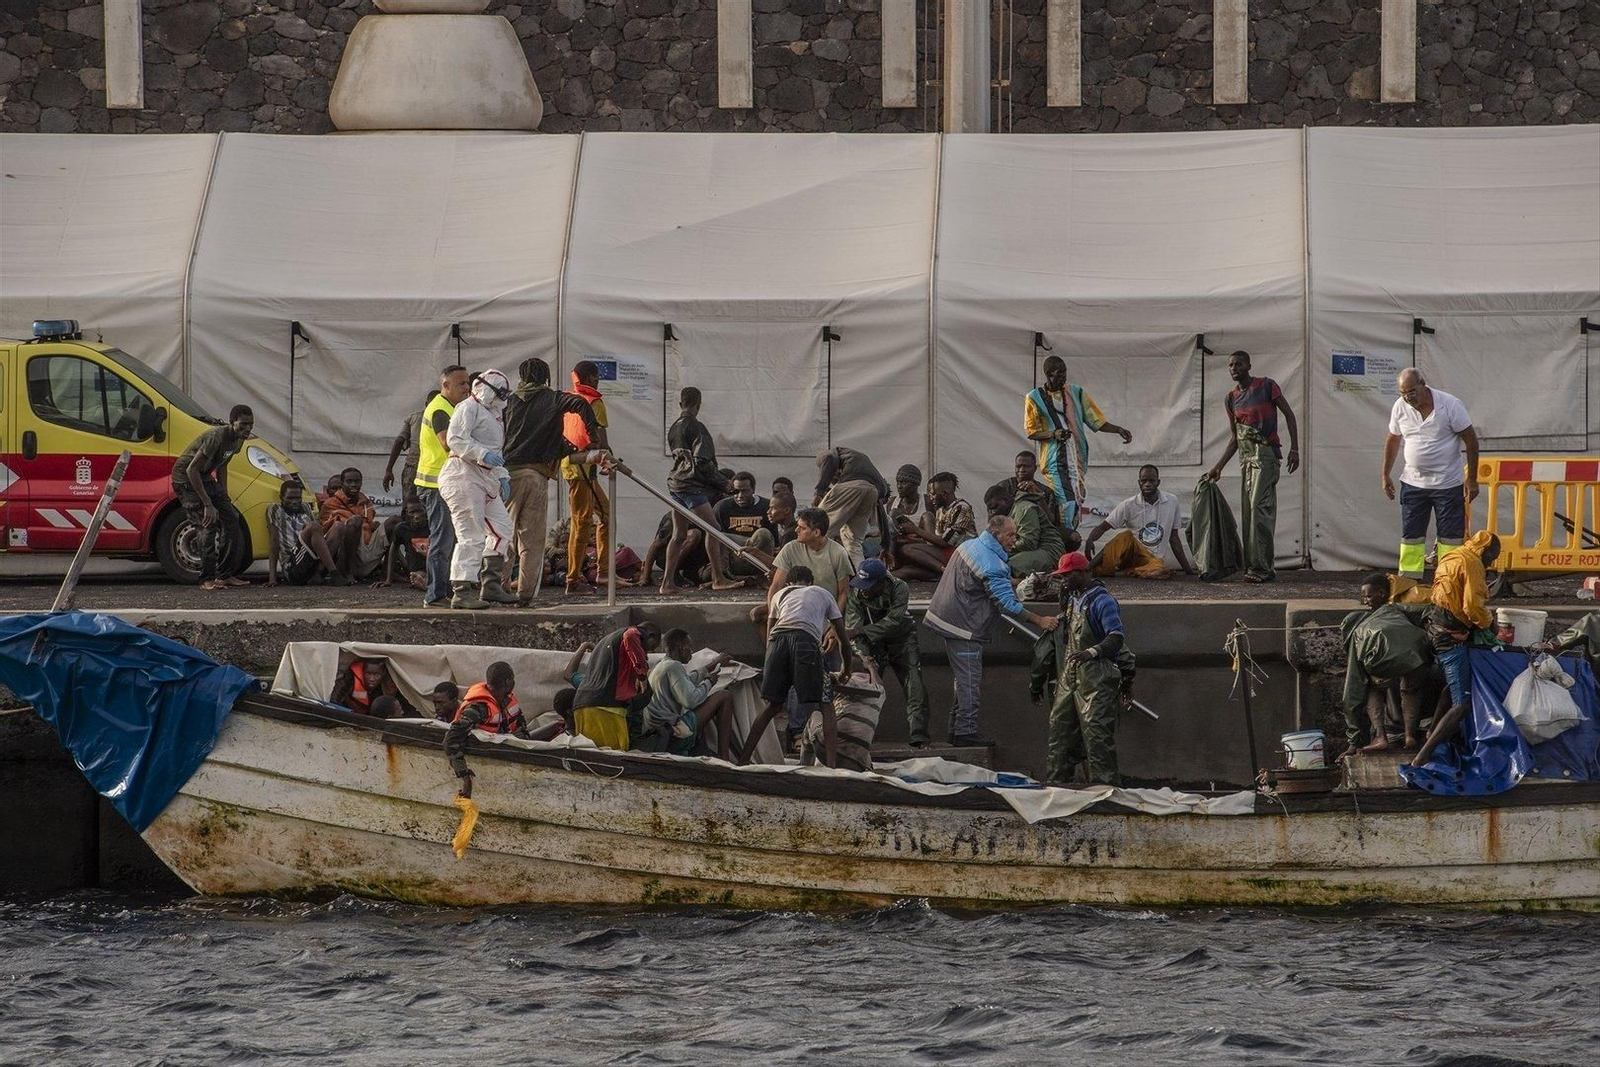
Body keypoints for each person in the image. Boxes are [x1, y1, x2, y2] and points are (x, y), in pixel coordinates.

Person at [924, 514, 1061, 747]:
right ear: (996, 535)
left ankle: (955, 730)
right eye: (1010, 535)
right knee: (969, 682)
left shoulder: (970, 545)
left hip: (947, 619)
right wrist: (1040, 620)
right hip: (964, 628)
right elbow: (1006, 604)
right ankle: (965, 732)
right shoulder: (992, 563)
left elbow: (980, 580)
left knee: (962, 681)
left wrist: (1013, 581)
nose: (1014, 540)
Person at [502, 358, 600, 604]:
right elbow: (579, 403)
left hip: (506, 475)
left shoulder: (509, 401)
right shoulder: (554, 398)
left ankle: (497, 589)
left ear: (522, 378)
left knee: (503, 537)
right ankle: (525, 595)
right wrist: (594, 435)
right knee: (531, 540)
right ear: (545, 378)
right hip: (536, 475)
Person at [1031, 552, 1130, 786]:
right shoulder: (1074, 599)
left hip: (1096, 676)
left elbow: (1116, 638)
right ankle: (1057, 786)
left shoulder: (1102, 601)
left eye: (1068, 576)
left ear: (1084, 573)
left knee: (1097, 737)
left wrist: (1091, 652)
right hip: (1071, 676)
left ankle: (1105, 790)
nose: (1064, 580)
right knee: (1059, 732)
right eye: (1062, 576)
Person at [740, 566, 853, 767]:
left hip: (777, 643)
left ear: (788, 583)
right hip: (806, 641)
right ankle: (832, 767)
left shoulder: (779, 595)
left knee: (772, 706)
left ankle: (743, 759)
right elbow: (842, 638)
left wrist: (773, 661)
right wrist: (846, 669)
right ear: (811, 582)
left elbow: (770, 630)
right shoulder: (822, 593)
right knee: (826, 704)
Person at [1205, 351, 1300, 583]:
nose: (1234, 368)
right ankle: (1253, 566)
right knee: (1249, 512)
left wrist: (1294, 448)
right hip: (1246, 458)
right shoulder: (1231, 398)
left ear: (1248, 365)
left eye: (1238, 364)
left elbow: (1289, 414)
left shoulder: (1266, 386)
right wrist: (1218, 466)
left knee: (1260, 509)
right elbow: (1235, 438)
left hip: (1265, 454)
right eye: (1230, 365)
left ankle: (1263, 568)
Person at [1411, 531, 1501, 767]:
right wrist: (1491, 624)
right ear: (1486, 551)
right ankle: (1422, 758)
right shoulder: (1473, 564)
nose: (1491, 563)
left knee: (1451, 687)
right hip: (1449, 639)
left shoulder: (1453, 555)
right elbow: (1472, 605)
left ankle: (1431, 733)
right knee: (1462, 704)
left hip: (1434, 628)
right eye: (1492, 557)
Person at [1382, 368, 1479, 580]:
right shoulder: (1400, 407)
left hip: (1447, 484)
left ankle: (1449, 581)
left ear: (1423, 384)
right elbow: (1393, 439)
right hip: (1413, 483)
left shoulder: (1450, 405)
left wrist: (1471, 479)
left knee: (1450, 538)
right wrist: (1386, 474)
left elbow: (1471, 440)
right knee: (1411, 538)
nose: (1408, 398)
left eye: (1412, 391)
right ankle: (1409, 581)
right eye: (1403, 393)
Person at [438, 370, 519, 610]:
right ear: (486, 388)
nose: (502, 397)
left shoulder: (494, 413)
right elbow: (455, 439)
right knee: (470, 534)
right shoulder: (468, 407)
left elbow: (497, 451)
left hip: (485, 477)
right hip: (462, 474)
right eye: (499, 392)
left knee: (502, 530)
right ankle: (461, 590)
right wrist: (483, 454)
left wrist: (502, 475)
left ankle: (491, 586)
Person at [1024, 355, 1132, 529]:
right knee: (1067, 500)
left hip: (1077, 457)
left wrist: (1118, 430)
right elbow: (1032, 432)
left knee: (1077, 498)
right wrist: (1053, 434)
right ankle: (1065, 539)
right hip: (1054, 461)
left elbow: (1095, 420)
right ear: (1049, 374)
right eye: (1059, 375)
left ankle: (1067, 539)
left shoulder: (1076, 392)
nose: (1063, 379)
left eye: (1065, 374)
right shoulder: (1034, 398)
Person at [1340, 572, 1435, 755]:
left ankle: (1381, 737)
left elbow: (1352, 692)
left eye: (1368, 596)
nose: (1365, 601)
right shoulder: (1400, 609)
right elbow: (1429, 610)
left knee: (1371, 688)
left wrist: (1353, 742)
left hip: (1381, 662)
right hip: (1416, 658)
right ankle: (1409, 735)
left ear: (1382, 593)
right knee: (1410, 689)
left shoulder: (1358, 628)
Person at [844, 559, 930, 747]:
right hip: (873, 641)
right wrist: (866, 658)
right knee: (868, 688)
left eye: (869, 586)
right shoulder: (856, 592)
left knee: (914, 683)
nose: (864, 590)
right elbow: (853, 629)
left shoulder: (900, 588)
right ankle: (859, 735)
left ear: (881, 583)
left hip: (903, 638)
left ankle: (919, 735)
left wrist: (862, 631)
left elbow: (894, 620)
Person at [663, 387, 739, 593]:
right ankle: (718, 578)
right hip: (691, 487)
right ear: (699, 404)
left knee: (678, 535)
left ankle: (667, 583)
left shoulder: (673, 428)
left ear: (680, 404)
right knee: (714, 530)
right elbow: (702, 462)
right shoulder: (697, 428)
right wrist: (724, 483)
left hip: (675, 485)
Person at [171, 404, 253, 590]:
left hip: (206, 477)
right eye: (243, 424)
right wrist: (208, 504)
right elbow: (192, 469)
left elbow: (222, 465)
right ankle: (206, 579)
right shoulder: (216, 437)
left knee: (232, 517)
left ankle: (224, 575)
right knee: (208, 524)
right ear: (232, 422)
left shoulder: (238, 440)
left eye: (251, 425)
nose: (248, 429)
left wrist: (223, 493)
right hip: (186, 478)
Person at [415, 366, 472, 607]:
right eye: (461, 384)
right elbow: (448, 444)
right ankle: (435, 594)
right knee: (442, 540)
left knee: (450, 539)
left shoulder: (452, 407)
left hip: (444, 483)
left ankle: (443, 591)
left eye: (467, 383)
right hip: (435, 484)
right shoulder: (440, 409)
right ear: (445, 386)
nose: (466, 388)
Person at [641, 629, 738, 761]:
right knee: (724, 696)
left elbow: (686, 680)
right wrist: (709, 682)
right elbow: (690, 700)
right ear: (681, 648)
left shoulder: (661, 665)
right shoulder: (674, 666)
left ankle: (701, 751)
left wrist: (710, 667)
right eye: (689, 647)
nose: (691, 652)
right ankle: (724, 757)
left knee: (699, 708)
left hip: (658, 731)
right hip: (671, 733)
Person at [561, 361, 614, 596]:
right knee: (581, 523)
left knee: (605, 514)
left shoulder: (568, 400)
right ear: (591, 378)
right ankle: (573, 579)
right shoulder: (594, 403)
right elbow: (602, 442)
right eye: (596, 376)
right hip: (582, 468)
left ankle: (603, 572)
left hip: (574, 465)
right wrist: (609, 460)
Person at [1085, 465, 1193, 579]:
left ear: (1158, 482)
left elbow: (1174, 538)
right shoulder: (1129, 504)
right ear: (1139, 482)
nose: (1147, 484)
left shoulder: (1171, 501)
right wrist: (1090, 539)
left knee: (1157, 564)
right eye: (1144, 480)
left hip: (1151, 559)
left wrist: (1188, 570)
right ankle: (1088, 569)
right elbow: (1104, 526)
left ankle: (1140, 572)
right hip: (1131, 555)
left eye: (1151, 481)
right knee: (1124, 537)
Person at [571, 622, 661, 750]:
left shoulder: (607, 641)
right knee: (613, 758)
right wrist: (642, 675)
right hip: (606, 709)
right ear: (650, 635)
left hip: (582, 706)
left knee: (591, 759)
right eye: (651, 647)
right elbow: (630, 637)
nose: (648, 652)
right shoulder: (633, 633)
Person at [445, 661, 524, 797]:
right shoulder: (479, 708)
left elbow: (524, 731)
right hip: (489, 760)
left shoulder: (508, 701)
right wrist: (465, 777)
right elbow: (451, 738)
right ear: (508, 681)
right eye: (513, 679)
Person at [800, 657, 886, 774]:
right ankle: (867, 768)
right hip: (855, 762)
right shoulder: (879, 692)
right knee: (860, 737)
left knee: (815, 716)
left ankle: (803, 767)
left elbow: (821, 676)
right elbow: (879, 684)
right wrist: (872, 668)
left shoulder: (843, 679)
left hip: (827, 749)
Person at [813, 446, 891, 566]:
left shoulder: (830, 454)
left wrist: (820, 490)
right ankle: (862, 578)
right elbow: (881, 512)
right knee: (853, 541)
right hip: (873, 491)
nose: (834, 479)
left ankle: (809, 569)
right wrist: (886, 545)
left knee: (815, 526)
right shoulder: (858, 461)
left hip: (853, 484)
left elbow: (828, 458)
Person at [892, 472, 975, 581]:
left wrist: (916, 530)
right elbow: (935, 541)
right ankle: (940, 573)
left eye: (933, 494)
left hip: (962, 555)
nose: (930, 498)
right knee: (908, 570)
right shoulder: (941, 509)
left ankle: (944, 570)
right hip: (948, 554)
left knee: (907, 549)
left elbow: (945, 542)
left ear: (945, 493)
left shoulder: (961, 508)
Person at [319, 467, 392, 582]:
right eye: (349, 482)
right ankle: (347, 571)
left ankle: (388, 573)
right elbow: (327, 532)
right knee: (355, 521)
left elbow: (370, 526)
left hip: (366, 548)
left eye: (357, 481)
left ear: (361, 483)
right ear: (342, 484)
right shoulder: (330, 504)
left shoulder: (365, 502)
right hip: (344, 553)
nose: (353, 485)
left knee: (394, 522)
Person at [265, 479, 343, 587]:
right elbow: (274, 542)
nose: (295, 501)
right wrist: (272, 578)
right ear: (281, 498)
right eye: (290, 498)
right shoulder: (275, 509)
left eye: (298, 498)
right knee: (314, 527)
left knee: (338, 527)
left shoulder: (305, 507)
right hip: (292, 563)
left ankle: (318, 574)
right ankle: (334, 573)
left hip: (310, 559)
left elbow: (317, 536)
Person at [984, 482, 1064, 578]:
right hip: (1033, 549)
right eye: (990, 510)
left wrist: (1002, 549)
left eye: (995, 507)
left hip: (1049, 551)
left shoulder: (1024, 509)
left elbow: (1028, 543)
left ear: (1006, 500)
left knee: (1007, 567)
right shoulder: (1010, 512)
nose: (993, 512)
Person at [714, 471, 780, 579]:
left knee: (763, 533)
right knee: (718, 536)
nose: (740, 496)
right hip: (733, 559)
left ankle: (762, 577)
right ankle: (725, 577)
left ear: (753, 489)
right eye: (736, 491)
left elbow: (774, 541)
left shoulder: (765, 506)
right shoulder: (722, 507)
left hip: (759, 558)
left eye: (745, 491)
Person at [382, 392, 434, 503]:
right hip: (434, 468)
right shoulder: (446, 415)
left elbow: (399, 440)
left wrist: (389, 469)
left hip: (413, 466)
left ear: (426, 404)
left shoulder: (414, 418)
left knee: (410, 504)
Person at [374, 496, 430, 590]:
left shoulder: (433, 527)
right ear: (406, 514)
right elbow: (393, 549)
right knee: (418, 577)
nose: (416, 516)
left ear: (426, 511)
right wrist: (388, 579)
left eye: (419, 511)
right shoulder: (402, 529)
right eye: (412, 512)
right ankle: (428, 586)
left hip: (434, 566)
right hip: (417, 570)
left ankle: (433, 585)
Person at [1002, 451, 1064, 533]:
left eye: (1026, 466)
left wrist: (1039, 496)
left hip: (1039, 532)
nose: (1021, 470)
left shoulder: (1046, 492)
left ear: (1035, 468)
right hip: (1009, 532)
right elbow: (995, 518)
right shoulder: (1004, 487)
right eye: (1018, 466)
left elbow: (1051, 522)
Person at [331, 656, 413, 717]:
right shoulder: (350, 678)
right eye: (368, 674)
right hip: (352, 714)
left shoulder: (390, 685)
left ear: (383, 674)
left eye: (376, 675)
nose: (372, 679)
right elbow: (336, 698)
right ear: (362, 672)